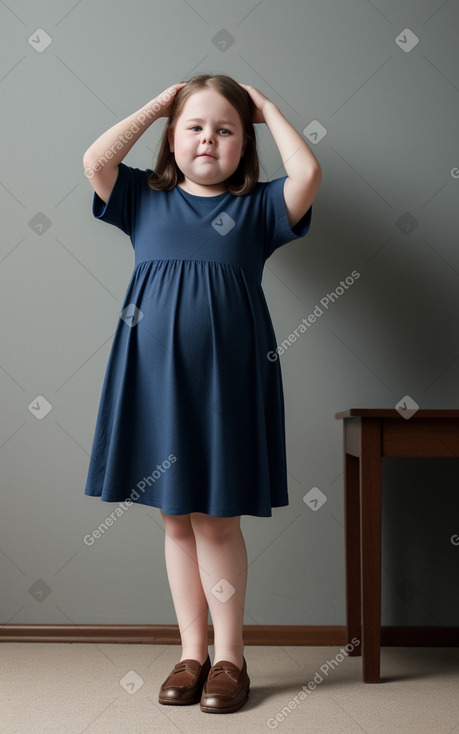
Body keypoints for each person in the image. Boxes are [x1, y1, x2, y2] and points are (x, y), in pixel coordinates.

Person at [83, 74, 321, 714]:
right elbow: (96, 159)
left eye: (226, 129)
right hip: (154, 379)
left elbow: (309, 174)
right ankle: (191, 653)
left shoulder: (259, 207)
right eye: (194, 127)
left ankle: (230, 657)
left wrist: (267, 105)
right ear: (171, 137)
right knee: (175, 518)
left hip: (227, 382)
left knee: (217, 518)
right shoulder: (140, 197)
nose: (208, 139)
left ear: (246, 143)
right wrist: (162, 101)